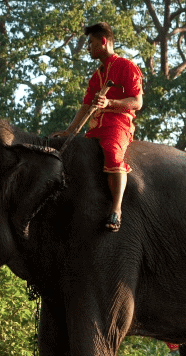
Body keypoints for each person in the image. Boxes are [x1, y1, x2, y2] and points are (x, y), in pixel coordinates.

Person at [53, 22, 143, 232]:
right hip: (95, 127)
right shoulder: (97, 76)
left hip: (118, 125)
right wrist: (69, 131)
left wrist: (110, 103)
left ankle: (116, 210)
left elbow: (137, 102)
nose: (88, 48)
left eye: (91, 43)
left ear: (103, 42)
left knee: (112, 153)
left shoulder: (127, 66)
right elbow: (86, 106)